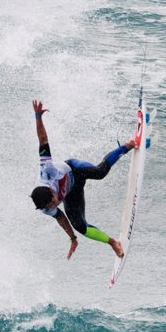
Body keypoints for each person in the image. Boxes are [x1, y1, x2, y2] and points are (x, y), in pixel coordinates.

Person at [30, 99, 136, 260]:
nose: (55, 204)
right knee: (80, 226)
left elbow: (43, 140)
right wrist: (72, 239)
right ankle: (113, 243)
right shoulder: (45, 207)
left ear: (51, 190)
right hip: (73, 191)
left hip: (74, 170)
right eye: (52, 205)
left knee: (100, 172)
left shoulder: (48, 172)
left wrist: (38, 117)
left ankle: (127, 146)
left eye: (53, 201)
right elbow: (61, 218)